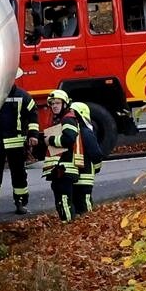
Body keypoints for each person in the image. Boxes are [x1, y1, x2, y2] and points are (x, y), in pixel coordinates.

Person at [0, 87, 41, 216]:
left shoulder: (23, 96)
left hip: (15, 143)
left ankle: (19, 202)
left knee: (18, 174)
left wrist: (33, 135)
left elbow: (33, 116)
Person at [43, 91, 95, 223]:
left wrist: (51, 140)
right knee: (65, 200)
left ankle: (68, 227)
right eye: (52, 104)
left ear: (65, 103)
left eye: (57, 103)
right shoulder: (62, 119)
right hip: (62, 167)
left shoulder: (67, 119)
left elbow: (69, 138)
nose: (54, 106)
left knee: (64, 200)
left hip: (64, 168)